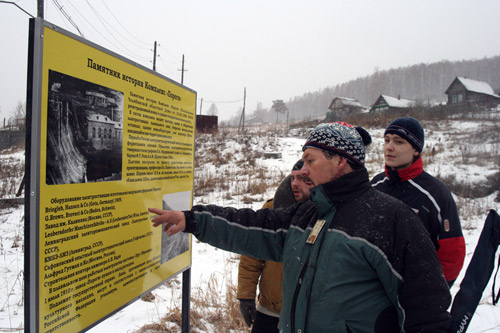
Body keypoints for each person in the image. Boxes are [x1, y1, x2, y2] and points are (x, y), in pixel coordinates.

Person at [149, 122, 452, 332]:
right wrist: (194, 219)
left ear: (340, 162)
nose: (302, 170)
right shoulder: (309, 213)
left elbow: (426, 308)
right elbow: (255, 225)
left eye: (310, 160)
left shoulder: (389, 218)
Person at [371, 117, 465, 286]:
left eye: (398, 142)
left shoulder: (436, 194)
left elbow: (452, 254)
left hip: (415, 291)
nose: (389, 147)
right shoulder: (376, 184)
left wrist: (435, 295)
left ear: (416, 150)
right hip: (374, 288)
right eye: (386, 140)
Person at [238, 160, 314, 332]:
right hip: (270, 309)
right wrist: (245, 296)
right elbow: (251, 254)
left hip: (308, 313)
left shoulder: (325, 212)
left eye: (303, 179)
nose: (296, 184)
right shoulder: (272, 208)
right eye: (293, 178)